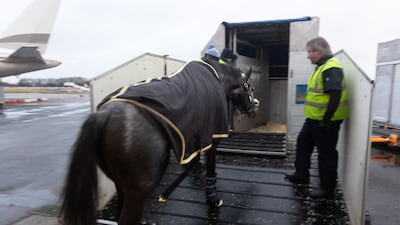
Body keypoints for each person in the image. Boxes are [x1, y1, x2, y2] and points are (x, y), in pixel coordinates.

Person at [285, 36, 348, 198]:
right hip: (314, 119)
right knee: (303, 143)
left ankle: (327, 188)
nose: (307, 56)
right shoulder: (322, 66)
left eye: (309, 52)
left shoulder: (331, 67)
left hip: (326, 121)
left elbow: (335, 94)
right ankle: (301, 174)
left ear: (318, 52)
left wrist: (326, 120)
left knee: (326, 154)